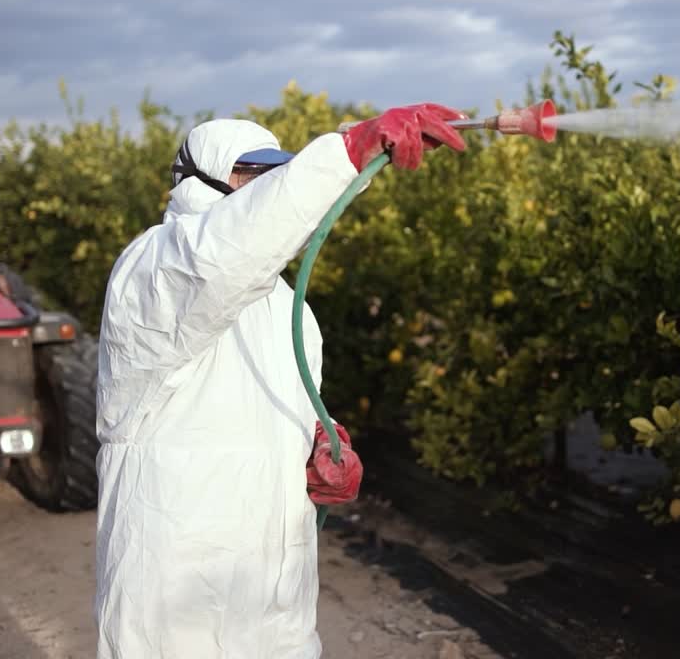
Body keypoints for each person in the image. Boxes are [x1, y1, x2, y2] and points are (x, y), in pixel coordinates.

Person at [93, 104, 467, 658]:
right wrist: (345, 153)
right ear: (200, 183)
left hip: (273, 578)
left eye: (274, 176)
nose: (262, 190)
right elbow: (222, 253)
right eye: (249, 176)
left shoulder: (286, 305)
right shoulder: (153, 270)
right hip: (177, 568)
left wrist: (323, 441)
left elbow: (294, 400)